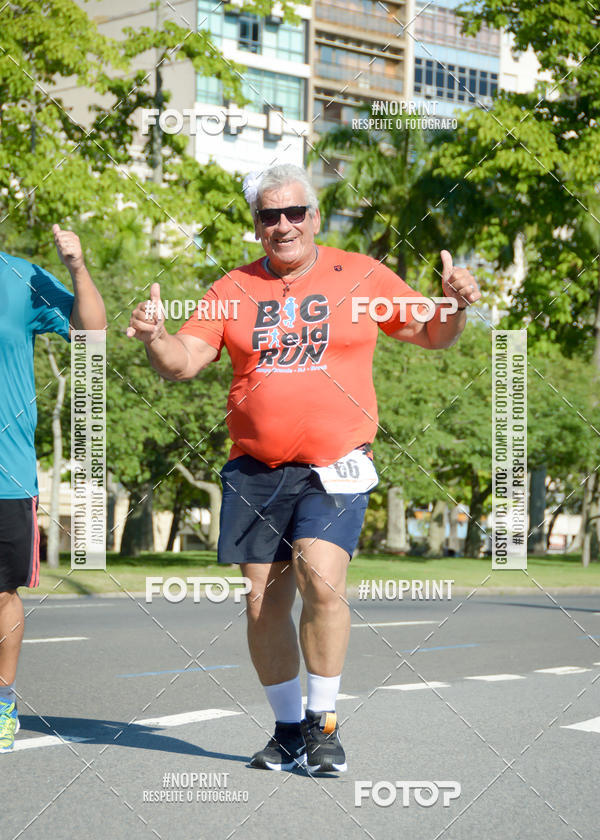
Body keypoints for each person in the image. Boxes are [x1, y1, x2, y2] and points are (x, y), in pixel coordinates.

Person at [126, 164, 480, 774]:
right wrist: (155, 337)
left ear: (315, 217)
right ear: (257, 226)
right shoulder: (230, 289)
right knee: (263, 601)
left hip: (335, 465)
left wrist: (454, 304)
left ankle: (323, 725)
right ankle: (287, 731)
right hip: (256, 468)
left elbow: (431, 334)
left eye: (295, 212)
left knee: (322, 579)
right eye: (270, 215)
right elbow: (183, 362)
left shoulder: (361, 275)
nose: (283, 224)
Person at [0, 226, 106, 752]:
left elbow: (91, 331)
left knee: (1, 593)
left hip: (6, 473)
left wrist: (77, 268)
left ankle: (1, 705)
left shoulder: (18, 277)